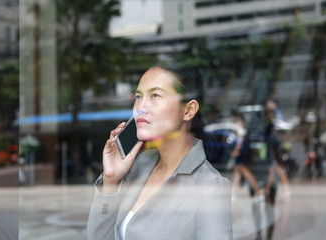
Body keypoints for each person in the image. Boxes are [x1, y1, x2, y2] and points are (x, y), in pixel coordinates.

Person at [87, 59, 232, 240]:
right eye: (138, 96)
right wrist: (111, 180)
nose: (140, 107)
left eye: (155, 96)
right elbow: (98, 236)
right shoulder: (139, 165)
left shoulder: (210, 187)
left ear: (189, 110)